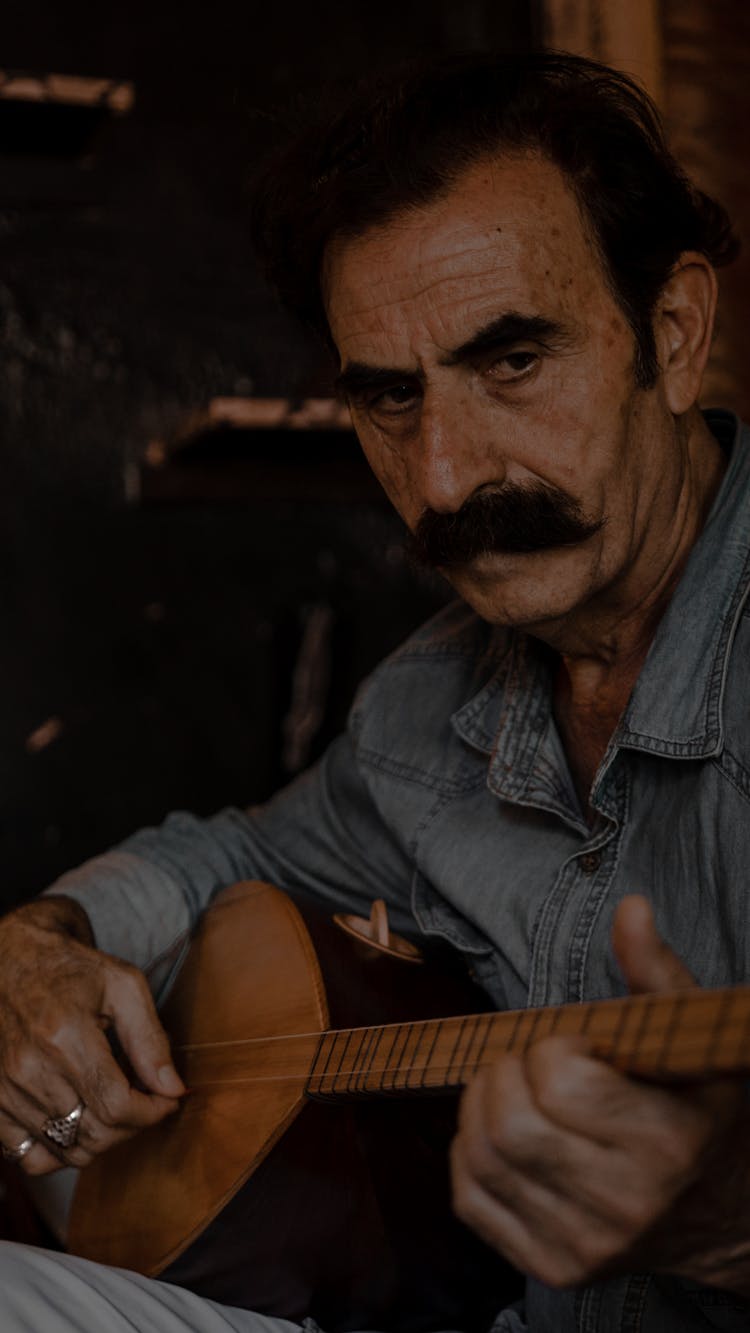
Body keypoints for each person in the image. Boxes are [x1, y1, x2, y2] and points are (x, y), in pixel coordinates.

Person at [0, 48, 748, 1333]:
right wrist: (40, 942)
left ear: (672, 337)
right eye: (389, 398)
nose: (445, 477)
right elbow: (228, 854)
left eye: (511, 360)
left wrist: (732, 1227)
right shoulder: (431, 701)